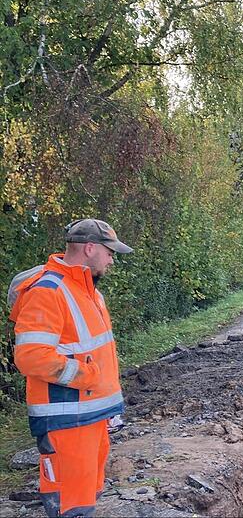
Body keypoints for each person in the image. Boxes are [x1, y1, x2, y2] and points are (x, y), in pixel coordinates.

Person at [9, 218, 132, 518]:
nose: (112, 258)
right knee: (71, 506)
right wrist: (87, 376)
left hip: (90, 417)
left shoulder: (90, 293)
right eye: (109, 251)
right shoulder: (48, 291)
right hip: (65, 422)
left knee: (85, 500)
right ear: (90, 248)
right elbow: (30, 356)